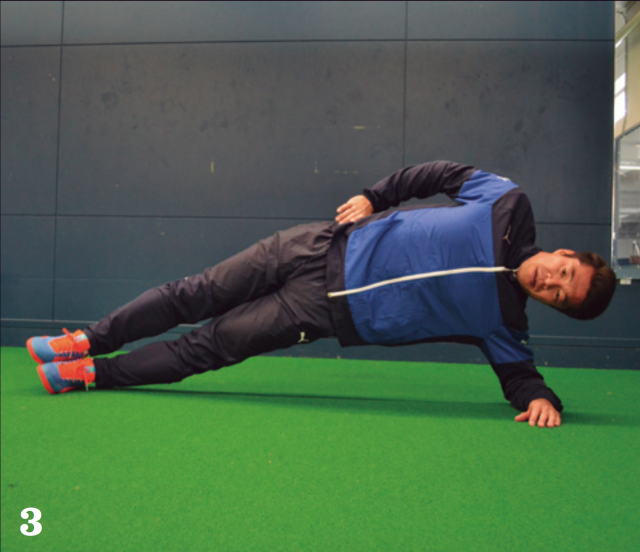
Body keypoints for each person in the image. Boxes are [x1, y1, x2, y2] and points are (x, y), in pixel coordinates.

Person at [26, 161, 616, 428]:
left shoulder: (504, 324)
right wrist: (377, 196)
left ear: (553, 307)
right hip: (315, 246)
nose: (552, 283)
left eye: (561, 297)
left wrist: (545, 400)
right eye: (564, 274)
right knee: (194, 293)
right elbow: (438, 175)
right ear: (566, 254)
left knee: (207, 347)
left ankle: (91, 374)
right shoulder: (508, 203)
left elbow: (519, 378)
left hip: (319, 312)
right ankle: (86, 339)